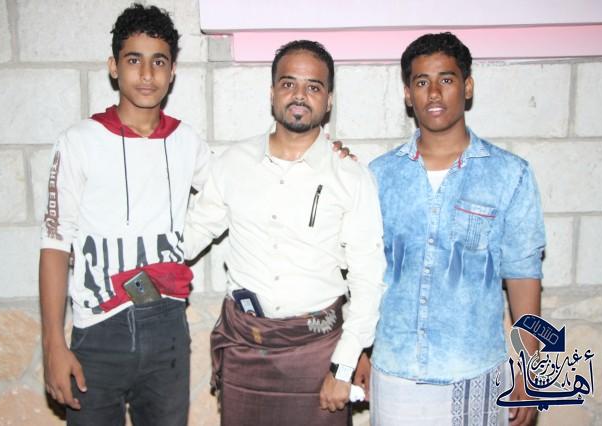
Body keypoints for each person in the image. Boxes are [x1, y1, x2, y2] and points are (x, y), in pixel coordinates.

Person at [181, 40, 386, 425]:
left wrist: (343, 367)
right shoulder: (232, 163)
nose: (300, 95)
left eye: (313, 87)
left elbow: (368, 280)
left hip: (318, 351)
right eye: (289, 83)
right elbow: (190, 234)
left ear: (329, 100)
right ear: (272, 92)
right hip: (245, 346)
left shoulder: (351, 177)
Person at [39, 4, 211, 425]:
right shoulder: (80, 141)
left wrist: (323, 151)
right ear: (114, 67)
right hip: (99, 329)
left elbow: (234, 192)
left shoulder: (187, 142)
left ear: (173, 71)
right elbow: (55, 244)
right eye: (134, 60)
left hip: (167, 328)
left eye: (159, 62)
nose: (147, 74)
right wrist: (52, 344)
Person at [366, 32, 545, 426]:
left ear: (467, 87)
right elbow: (367, 273)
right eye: (421, 82)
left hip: (476, 370)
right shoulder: (379, 176)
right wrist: (360, 352)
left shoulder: (509, 174)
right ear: (408, 94)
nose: (434, 93)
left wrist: (529, 368)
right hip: (395, 372)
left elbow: (523, 275)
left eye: (446, 79)